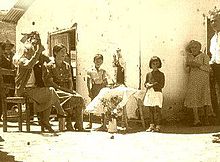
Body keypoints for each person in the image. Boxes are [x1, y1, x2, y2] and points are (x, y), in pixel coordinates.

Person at [14, 31, 66, 133]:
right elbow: (29, 64)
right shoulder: (22, 61)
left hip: (33, 89)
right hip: (24, 90)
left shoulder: (35, 60)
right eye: (30, 51)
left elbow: (48, 59)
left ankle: (46, 120)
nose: (32, 53)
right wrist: (37, 52)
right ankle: (58, 113)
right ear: (25, 52)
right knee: (51, 93)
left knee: (51, 94)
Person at [44, 44, 86, 132]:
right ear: (55, 53)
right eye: (61, 52)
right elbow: (51, 83)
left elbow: (70, 80)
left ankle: (79, 124)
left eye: (65, 51)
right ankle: (68, 122)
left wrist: (71, 89)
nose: (64, 54)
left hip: (66, 89)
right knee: (71, 98)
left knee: (79, 98)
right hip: (55, 91)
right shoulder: (49, 66)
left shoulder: (67, 65)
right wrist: (65, 90)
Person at [184, 40, 213, 126]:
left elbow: (208, 69)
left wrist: (198, 65)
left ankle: (206, 119)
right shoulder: (189, 57)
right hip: (193, 80)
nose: (194, 49)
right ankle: (196, 120)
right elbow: (186, 70)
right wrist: (188, 65)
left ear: (199, 48)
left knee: (205, 98)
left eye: (195, 47)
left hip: (203, 80)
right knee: (194, 98)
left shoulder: (204, 56)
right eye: (192, 47)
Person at [86, 54, 108, 130]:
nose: (98, 62)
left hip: (101, 88)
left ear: (102, 61)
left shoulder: (103, 70)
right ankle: (90, 122)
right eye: (96, 60)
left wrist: (105, 87)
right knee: (92, 104)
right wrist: (89, 91)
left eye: (100, 60)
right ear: (94, 61)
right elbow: (88, 82)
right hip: (94, 88)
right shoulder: (90, 71)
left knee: (103, 104)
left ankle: (103, 123)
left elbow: (105, 80)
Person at [143, 56, 165, 132]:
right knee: (151, 110)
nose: (155, 65)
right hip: (150, 93)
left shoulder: (161, 74)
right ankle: (151, 125)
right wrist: (146, 85)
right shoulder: (148, 74)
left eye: (156, 64)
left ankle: (158, 126)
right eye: (153, 64)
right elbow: (145, 83)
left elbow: (161, 85)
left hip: (157, 93)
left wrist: (152, 85)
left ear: (159, 65)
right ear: (151, 65)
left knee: (157, 110)